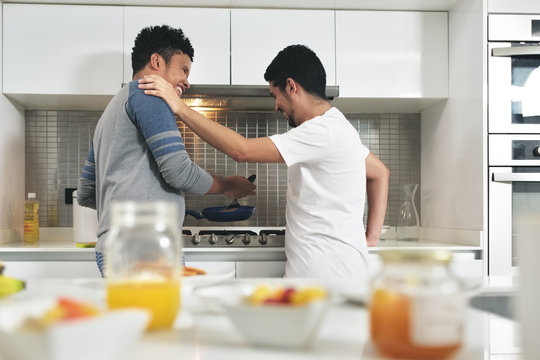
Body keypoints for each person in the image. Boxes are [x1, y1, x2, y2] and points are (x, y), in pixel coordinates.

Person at [138, 44, 390, 279]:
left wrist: (178, 106)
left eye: (275, 95)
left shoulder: (322, 132)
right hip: (338, 270)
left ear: (291, 86)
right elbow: (380, 172)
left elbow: (242, 150)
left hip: (324, 275)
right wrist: (371, 236)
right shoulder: (339, 128)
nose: (276, 106)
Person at [77, 25, 256, 276]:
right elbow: (178, 172)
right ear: (156, 61)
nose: (187, 81)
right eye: (183, 69)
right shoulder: (149, 93)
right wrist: (227, 186)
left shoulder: (111, 110)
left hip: (111, 249)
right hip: (144, 249)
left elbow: (86, 193)